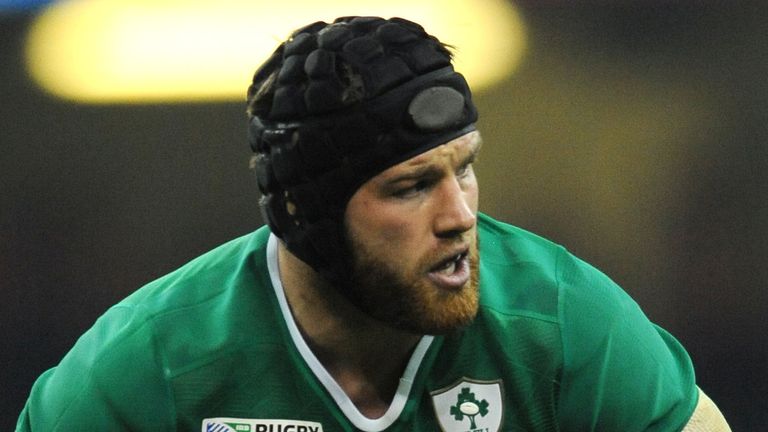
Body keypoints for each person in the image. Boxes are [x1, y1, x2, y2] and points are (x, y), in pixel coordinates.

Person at [17, 16, 730, 432]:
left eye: (464, 169)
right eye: (412, 187)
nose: (459, 217)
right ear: (307, 216)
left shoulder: (565, 325)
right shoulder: (150, 364)